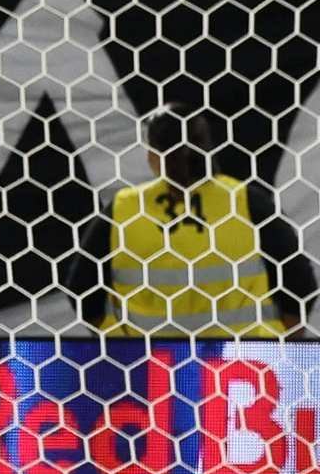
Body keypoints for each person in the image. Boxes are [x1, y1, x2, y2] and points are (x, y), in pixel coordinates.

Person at [66, 103, 316, 338]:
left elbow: (80, 289)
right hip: (242, 369)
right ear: (209, 145)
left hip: (147, 369)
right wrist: (284, 348)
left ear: (154, 154)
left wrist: (115, 344)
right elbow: (301, 285)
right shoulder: (246, 201)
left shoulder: (124, 209)